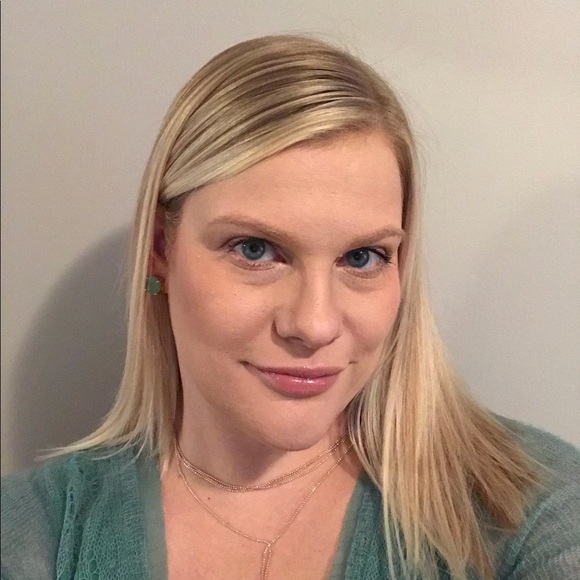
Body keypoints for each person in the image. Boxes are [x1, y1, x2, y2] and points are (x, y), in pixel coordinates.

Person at [2, 34, 579, 580]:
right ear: (160, 250)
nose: (315, 324)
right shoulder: (37, 535)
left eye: (362, 257)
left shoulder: (528, 511)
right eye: (255, 250)